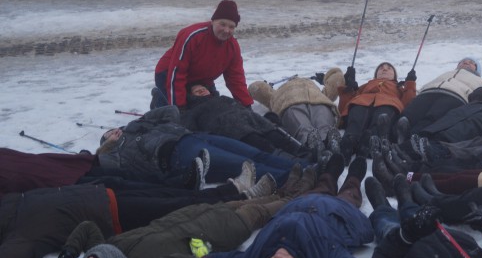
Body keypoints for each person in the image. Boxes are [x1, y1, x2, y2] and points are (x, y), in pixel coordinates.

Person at [58, 165, 317, 258]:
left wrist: (69, 253)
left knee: (251, 202)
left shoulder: (106, 251)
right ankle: (305, 194)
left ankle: (288, 190)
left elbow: (87, 228)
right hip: (215, 233)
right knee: (261, 211)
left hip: (193, 216)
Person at [176, 154, 373, 258]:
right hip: (339, 215)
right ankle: (353, 179)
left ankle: (330, 174)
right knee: (349, 195)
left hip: (299, 205)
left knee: (322, 186)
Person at [0, 163, 267, 258]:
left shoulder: (11, 201)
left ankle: (233, 189)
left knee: (174, 195)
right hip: (113, 217)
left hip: (103, 193)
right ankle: (242, 196)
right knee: (180, 206)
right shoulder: (20, 235)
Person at [96, 106, 305, 187]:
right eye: (107, 136)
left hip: (196, 137)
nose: (113, 133)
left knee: (257, 154)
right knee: (246, 165)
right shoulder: (118, 155)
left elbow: (171, 111)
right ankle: (300, 180)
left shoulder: (137, 126)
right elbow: (102, 163)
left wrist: (142, 121)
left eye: (113, 130)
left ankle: (305, 167)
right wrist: (107, 147)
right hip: (180, 156)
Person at [153, 0, 253, 109]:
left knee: (213, 107)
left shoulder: (233, 46)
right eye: (222, 24)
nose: (226, 30)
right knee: (178, 111)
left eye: (231, 27)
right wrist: (180, 109)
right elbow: (177, 73)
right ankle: (159, 98)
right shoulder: (192, 36)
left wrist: (246, 105)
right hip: (169, 74)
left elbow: (236, 78)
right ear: (213, 21)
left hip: (203, 79)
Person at [181, 83, 309, 158]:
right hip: (230, 128)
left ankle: (305, 153)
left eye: (203, 89)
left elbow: (241, 107)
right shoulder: (194, 110)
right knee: (260, 143)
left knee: (275, 134)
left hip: (249, 119)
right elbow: (191, 131)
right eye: (197, 91)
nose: (202, 91)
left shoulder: (224, 98)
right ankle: (293, 163)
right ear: (191, 97)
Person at [399, 57, 482, 134]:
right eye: (463, 62)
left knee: (432, 118)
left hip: (455, 96)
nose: (466, 62)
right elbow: (425, 86)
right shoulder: (446, 73)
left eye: (471, 63)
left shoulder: (481, 81)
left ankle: (410, 137)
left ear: (477, 70)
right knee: (409, 114)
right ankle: (401, 130)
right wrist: (407, 87)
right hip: (428, 92)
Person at [248, 69, 344, 157]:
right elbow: (256, 88)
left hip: (315, 101)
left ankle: (326, 141)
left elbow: (255, 88)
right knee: (306, 128)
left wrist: (325, 78)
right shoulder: (275, 94)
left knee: (321, 125)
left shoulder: (276, 94)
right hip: (292, 103)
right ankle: (316, 143)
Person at [338, 62, 416, 160]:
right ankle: (349, 142)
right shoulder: (365, 86)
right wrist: (348, 87)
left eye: (389, 68)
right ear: (376, 74)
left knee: (383, 115)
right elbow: (344, 108)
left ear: (394, 76)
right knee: (357, 112)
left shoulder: (399, 88)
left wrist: (410, 84)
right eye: (381, 68)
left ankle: (371, 141)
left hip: (388, 104)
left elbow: (408, 104)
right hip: (361, 103)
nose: (384, 69)